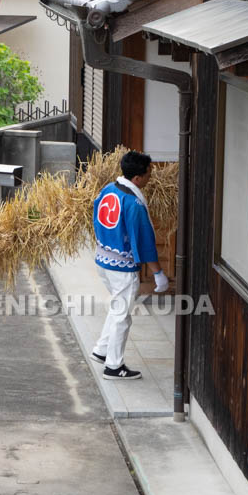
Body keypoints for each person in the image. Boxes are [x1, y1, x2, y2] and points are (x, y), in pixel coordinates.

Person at [90, 150, 169, 380]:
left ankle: (102, 350)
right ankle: (114, 367)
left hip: (103, 259)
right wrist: (158, 273)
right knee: (122, 316)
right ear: (137, 178)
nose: (150, 177)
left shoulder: (108, 189)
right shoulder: (133, 203)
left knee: (117, 307)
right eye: (148, 174)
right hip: (121, 268)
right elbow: (144, 242)